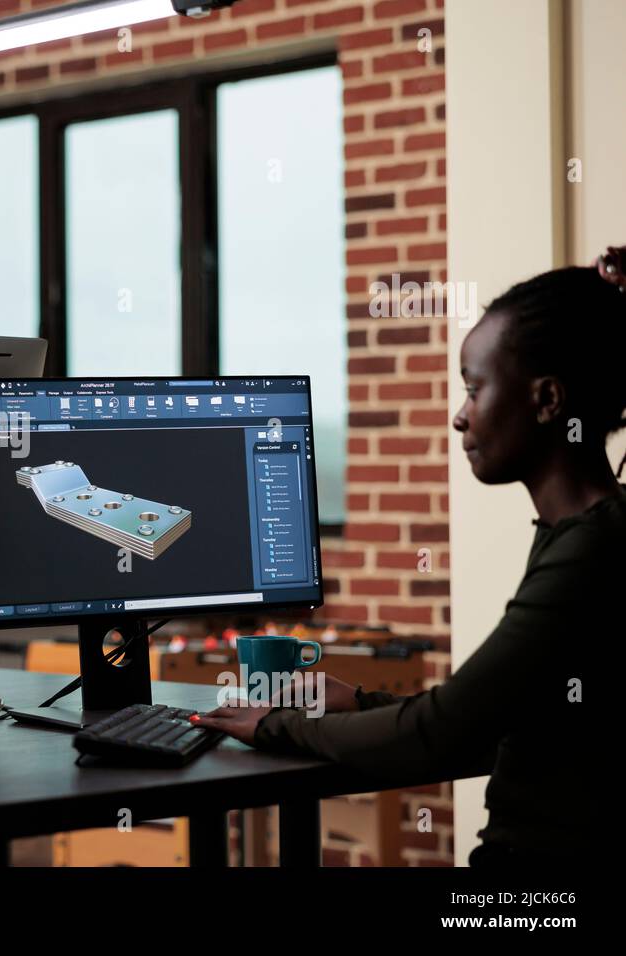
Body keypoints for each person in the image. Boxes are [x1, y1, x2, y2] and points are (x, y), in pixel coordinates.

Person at [196, 247, 626, 867]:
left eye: (475, 390)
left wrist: (272, 724)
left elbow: (440, 737)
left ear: (547, 400)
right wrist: (362, 704)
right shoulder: (581, 532)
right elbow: (494, 725)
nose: (459, 416)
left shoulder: (590, 552)